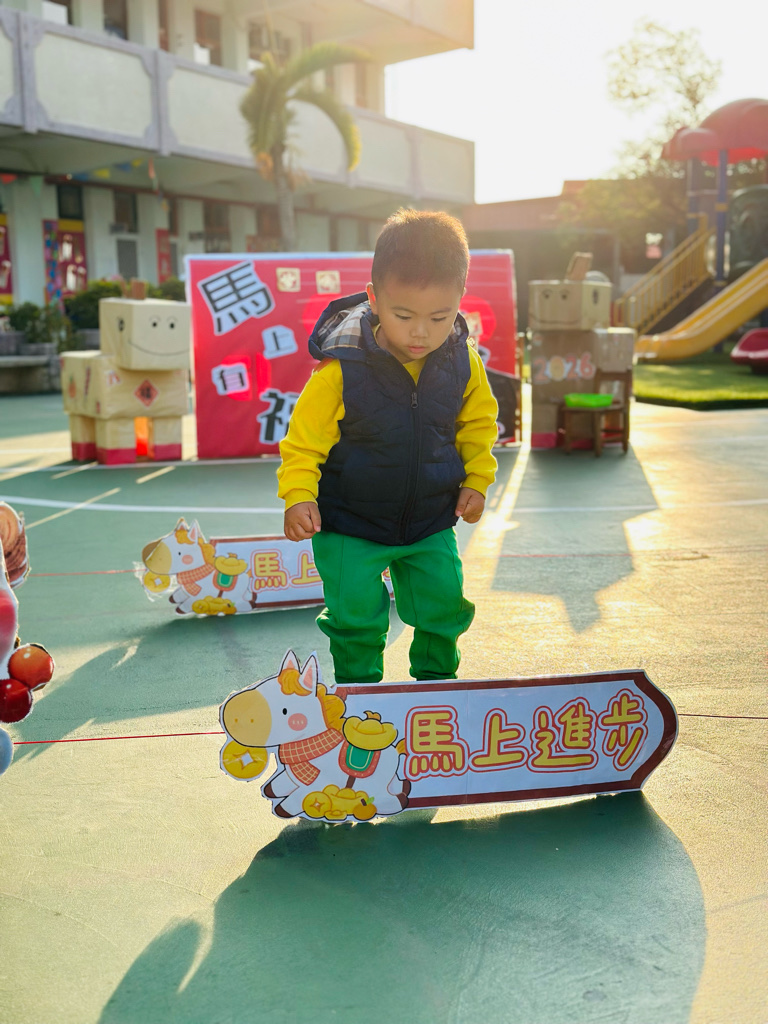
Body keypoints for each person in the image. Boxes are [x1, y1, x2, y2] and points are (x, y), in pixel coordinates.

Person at [277, 208, 498, 685]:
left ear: (459, 300)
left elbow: (478, 426)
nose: (421, 332)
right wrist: (298, 495)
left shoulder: (462, 362)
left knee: (444, 606)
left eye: (439, 317)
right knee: (354, 618)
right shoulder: (342, 368)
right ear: (374, 299)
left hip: (430, 519)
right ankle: (357, 692)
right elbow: (304, 442)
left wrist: (478, 480)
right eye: (404, 315)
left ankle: (437, 688)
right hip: (349, 522)